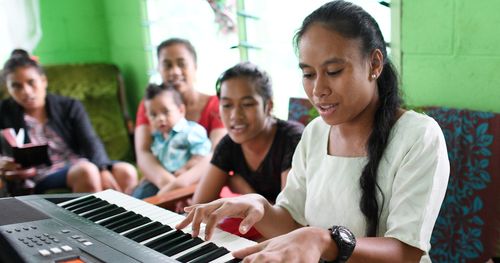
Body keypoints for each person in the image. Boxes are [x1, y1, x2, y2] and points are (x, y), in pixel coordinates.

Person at [176, 1, 450, 262]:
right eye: (308, 74)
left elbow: (406, 253)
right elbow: (291, 222)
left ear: (375, 64)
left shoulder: (418, 136)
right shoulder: (315, 133)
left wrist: (324, 241)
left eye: (333, 71)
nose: (318, 90)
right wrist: (260, 207)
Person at [0, 49, 138, 194]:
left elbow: (90, 140)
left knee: (126, 172)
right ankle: (89, 217)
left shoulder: (69, 106)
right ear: (9, 89)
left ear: (43, 81)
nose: (26, 91)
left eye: (31, 82)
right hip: (41, 174)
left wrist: (103, 169)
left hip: (78, 162)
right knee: (86, 171)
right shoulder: (4, 112)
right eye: (16, 86)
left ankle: (125, 216)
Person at [191, 62, 304, 239]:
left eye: (247, 104)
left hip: (292, 233)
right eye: (227, 105)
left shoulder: (292, 140)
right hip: (259, 227)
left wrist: (244, 188)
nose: (235, 115)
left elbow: (289, 221)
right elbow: (199, 207)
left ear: (268, 106)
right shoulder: (229, 144)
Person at [133, 38, 226, 199]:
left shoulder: (215, 105)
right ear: (159, 69)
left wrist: (179, 185)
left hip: (205, 181)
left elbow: (216, 154)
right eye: (167, 65)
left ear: (195, 67)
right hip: (160, 182)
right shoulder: (149, 105)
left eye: (181, 63)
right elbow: (143, 152)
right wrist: (168, 185)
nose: (174, 71)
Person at [144, 83, 211, 191]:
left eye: (166, 112)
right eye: (153, 115)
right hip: (164, 181)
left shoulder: (191, 131)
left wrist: (186, 169)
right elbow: (157, 161)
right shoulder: (157, 138)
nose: (160, 118)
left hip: (189, 181)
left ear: (181, 110)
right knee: (140, 193)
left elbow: (202, 155)